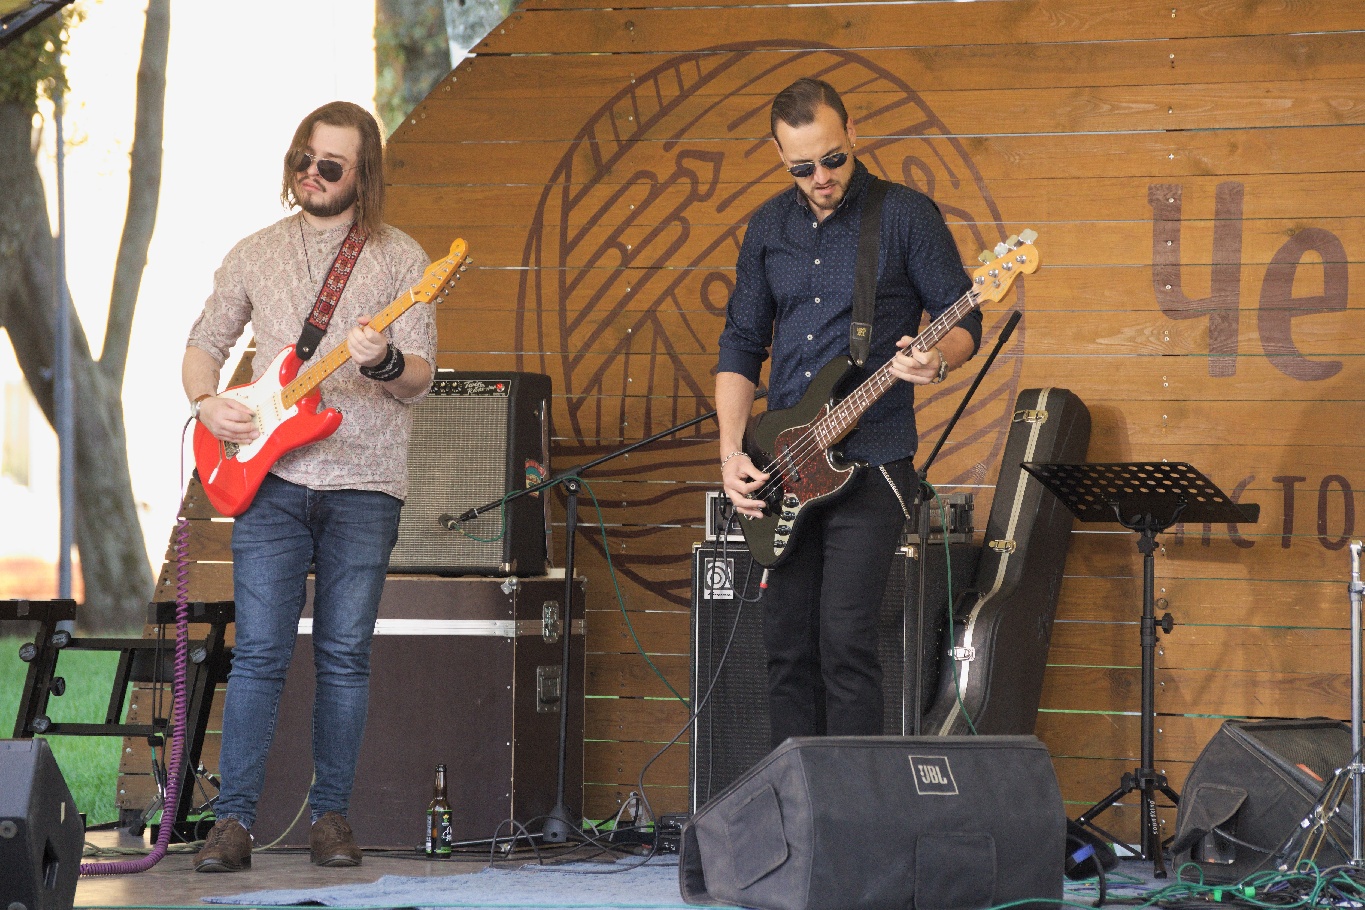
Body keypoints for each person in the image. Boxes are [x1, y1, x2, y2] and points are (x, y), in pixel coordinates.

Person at [182, 101, 436, 872]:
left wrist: (384, 361)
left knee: (344, 655)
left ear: (363, 175)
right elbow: (204, 343)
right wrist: (206, 402)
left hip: (365, 482)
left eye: (330, 165)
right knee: (258, 654)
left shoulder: (401, 259)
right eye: (305, 158)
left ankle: (331, 819)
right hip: (269, 480)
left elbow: (421, 379)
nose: (312, 174)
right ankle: (232, 822)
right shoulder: (255, 251)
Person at [716, 78, 983, 748]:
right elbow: (741, 344)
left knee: (845, 643)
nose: (821, 177)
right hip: (782, 462)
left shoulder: (904, 216)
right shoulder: (767, 228)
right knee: (785, 648)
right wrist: (731, 452)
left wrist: (936, 359)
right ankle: (795, 795)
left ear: (853, 133)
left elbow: (963, 319)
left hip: (873, 459)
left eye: (832, 159)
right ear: (780, 157)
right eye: (802, 167)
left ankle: (853, 800)